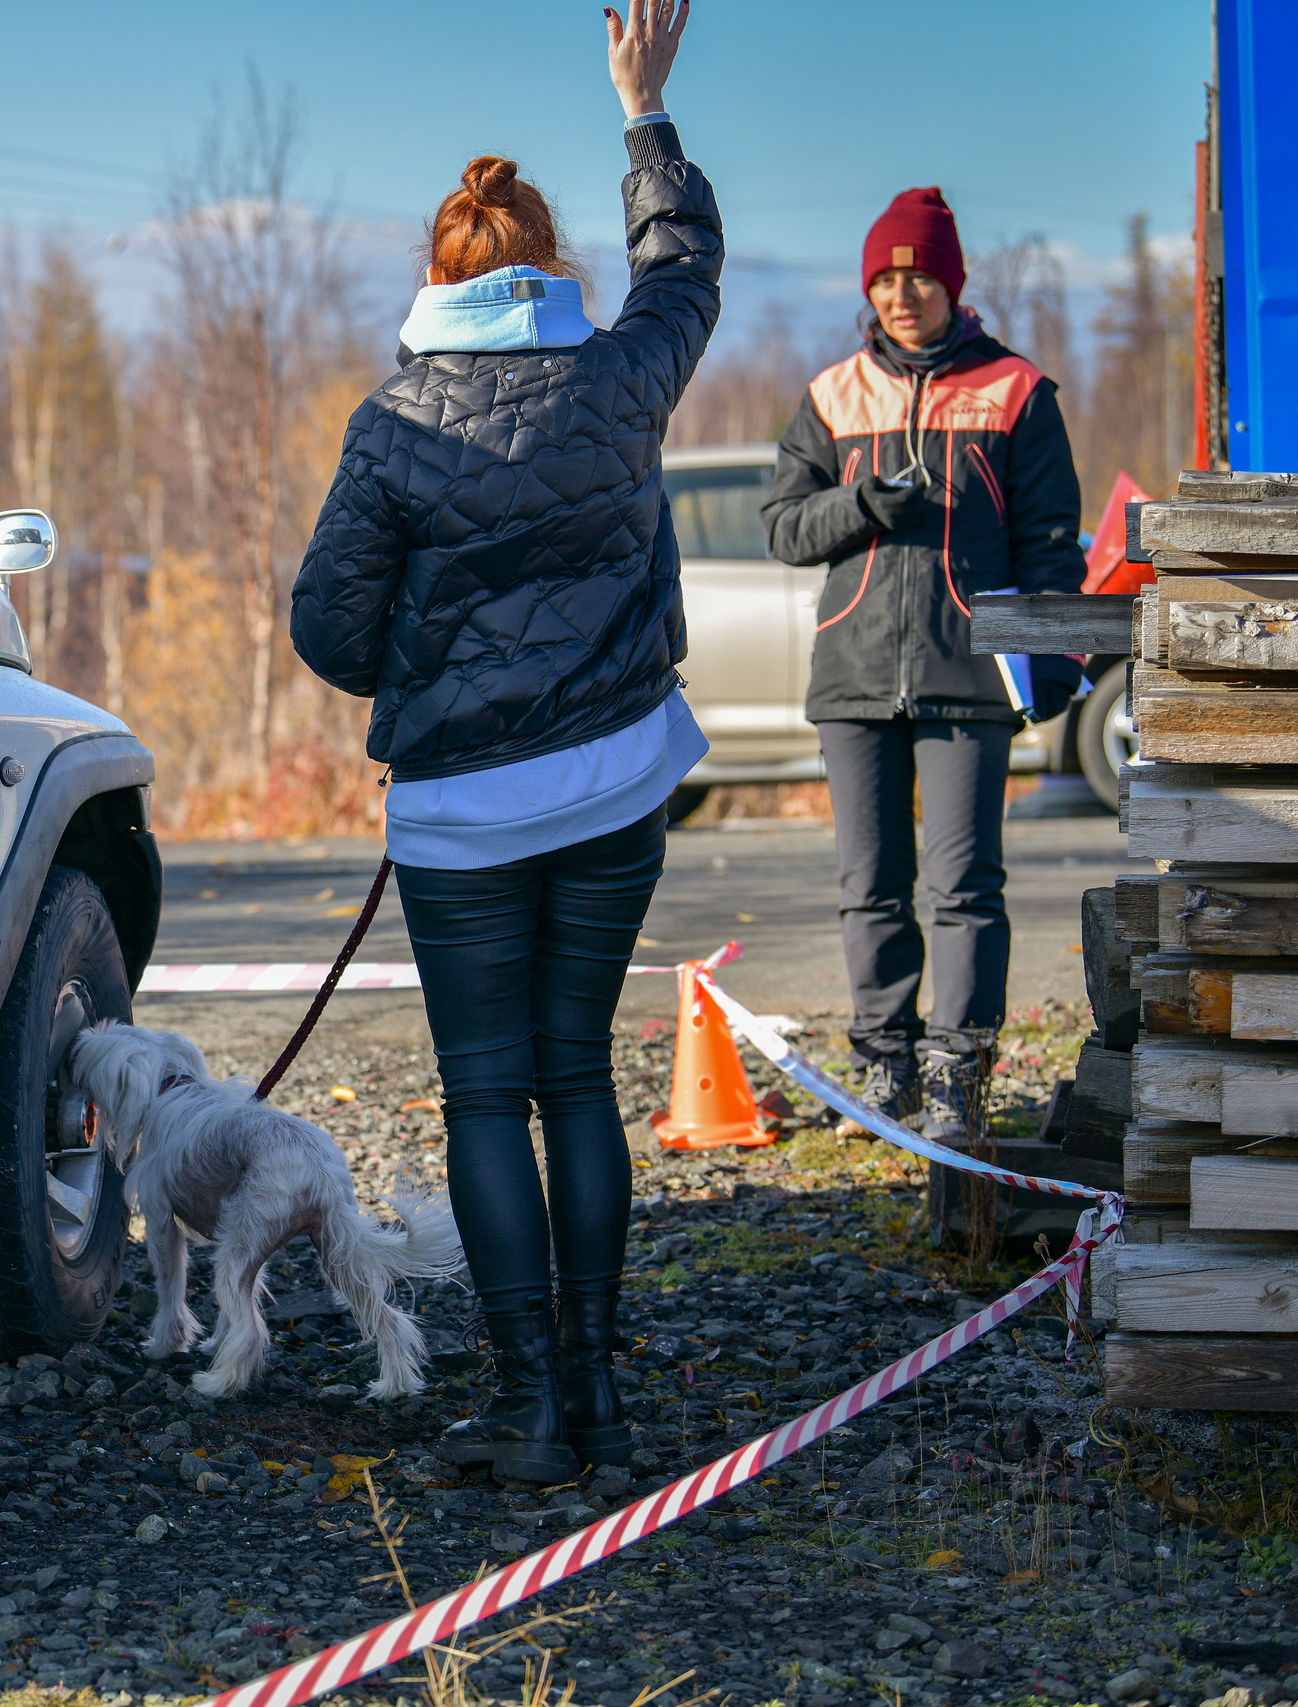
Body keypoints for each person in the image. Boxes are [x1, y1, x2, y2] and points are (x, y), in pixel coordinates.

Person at [290, 0, 715, 1483]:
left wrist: (427, 657)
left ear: (439, 275)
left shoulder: (393, 426)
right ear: (547, 263)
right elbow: (684, 265)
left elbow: (330, 634)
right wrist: (642, 108)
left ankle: (531, 1405)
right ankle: (597, 1394)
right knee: (577, 1072)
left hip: (463, 814)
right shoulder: (618, 378)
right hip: (615, 780)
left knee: (485, 1089)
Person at [761, 190, 1087, 1144]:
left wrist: (1054, 652)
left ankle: (958, 1075)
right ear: (870, 288)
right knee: (869, 884)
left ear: (953, 283)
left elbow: (1051, 540)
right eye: (886, 280)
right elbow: (783, 528)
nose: (903, 296)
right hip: (855, 677)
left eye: (921, 278)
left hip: (970, 678)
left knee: (964, 886)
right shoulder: (833, 394)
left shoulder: (1016, 391)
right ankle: (886, 1070)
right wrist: (861, 503)